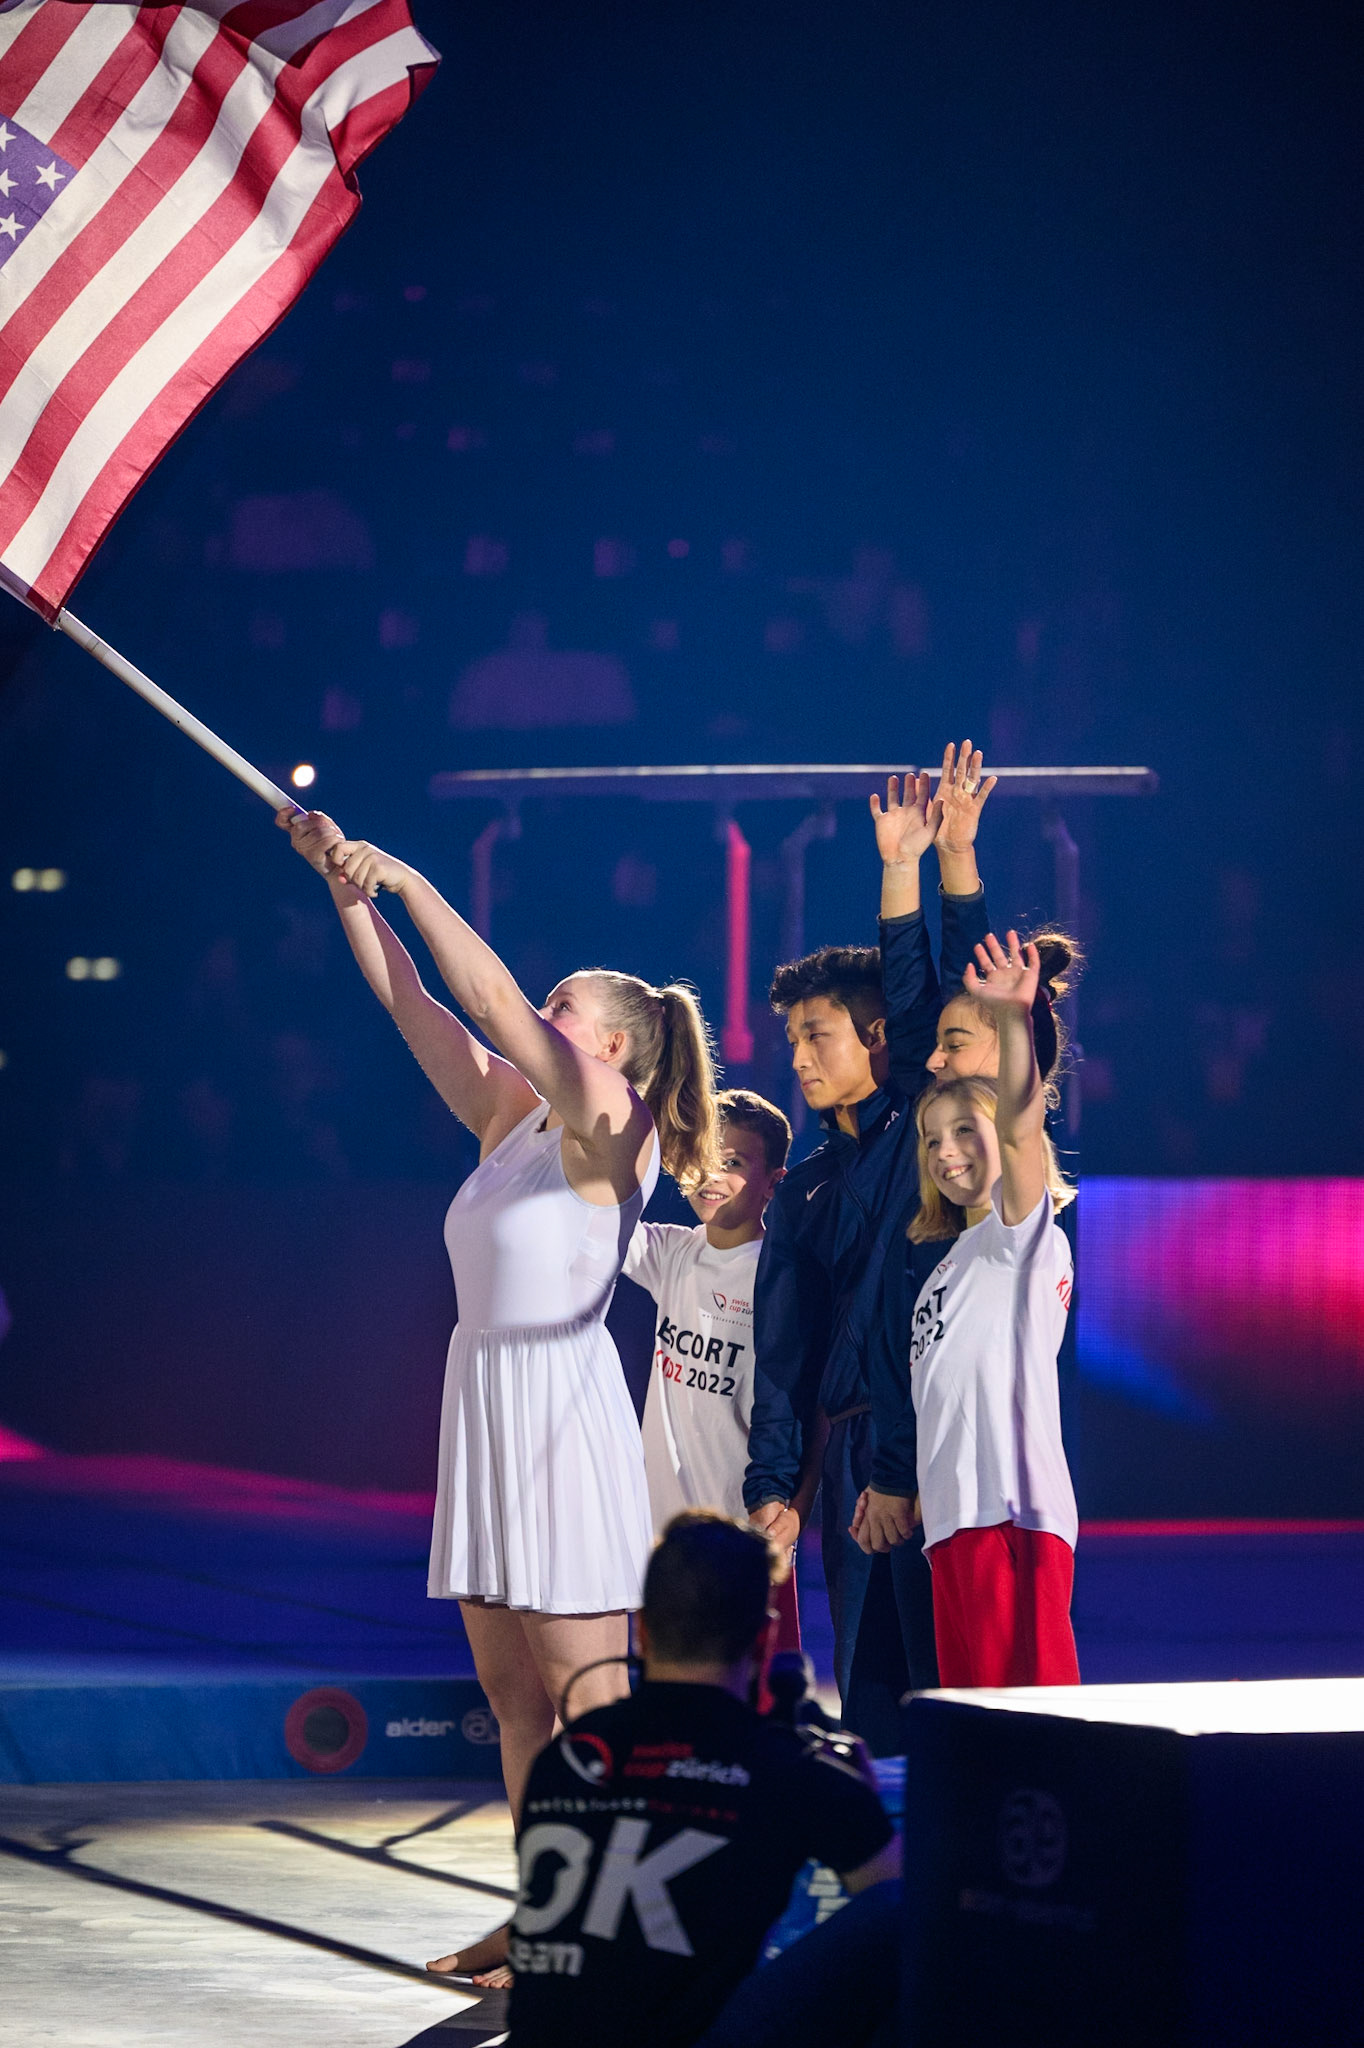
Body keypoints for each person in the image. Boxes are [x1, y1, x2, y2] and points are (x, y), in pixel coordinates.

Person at [277, 807, 720, 1985]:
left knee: (592, 1709)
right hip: (480, 1403)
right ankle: (545, 1920)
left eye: (564, 1010)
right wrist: (347, 887)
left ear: (613, 1050)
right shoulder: (508, 1116)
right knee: (514, 1698)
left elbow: (492, 1006)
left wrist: (411, 874)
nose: (543, 1017)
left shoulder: (611, 1128)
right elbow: (416, 1005)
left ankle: (623, 1935)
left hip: (559, 1414)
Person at [743, 744, 994, 1751]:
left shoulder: (922, 1131)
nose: (797, 1058)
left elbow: (945, 1001)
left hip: (937, 1442)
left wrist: (926, 865)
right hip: (849, 1462)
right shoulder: (798, 1187)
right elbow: (782, 1358)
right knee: (873, 1700)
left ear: (878, 1036)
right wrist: (771, 1491)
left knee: (958, 1695)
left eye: (818, 1037)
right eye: (791, 1040)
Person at [508, 1512, 901, 2048]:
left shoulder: (569, 1755)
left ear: (642, 1629)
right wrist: (859, 1798)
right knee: (899, 1912)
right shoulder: (787, 1766)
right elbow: (901, 1904)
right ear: (764, 1640)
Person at [875, 931, 1081, 1687]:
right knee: (978, 1731)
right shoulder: (946, 1267)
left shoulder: (1017, 1239)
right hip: (954, 1524)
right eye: (933, 1139)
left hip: (1012, 1516)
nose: (946, 1150)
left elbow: (1024, 1121)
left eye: (966, 1131)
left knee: (1038, 1739)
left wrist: (1017, 1021)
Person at [623, 1089, 791, 1530]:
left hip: (743, 1531)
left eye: (732, 1163)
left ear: (774, 1180)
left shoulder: (780, 1278)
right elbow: (597, 1213)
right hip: (658, 1533)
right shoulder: (672, 1251)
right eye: (703, 1155)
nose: (710, 1175)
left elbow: (804, 1414)